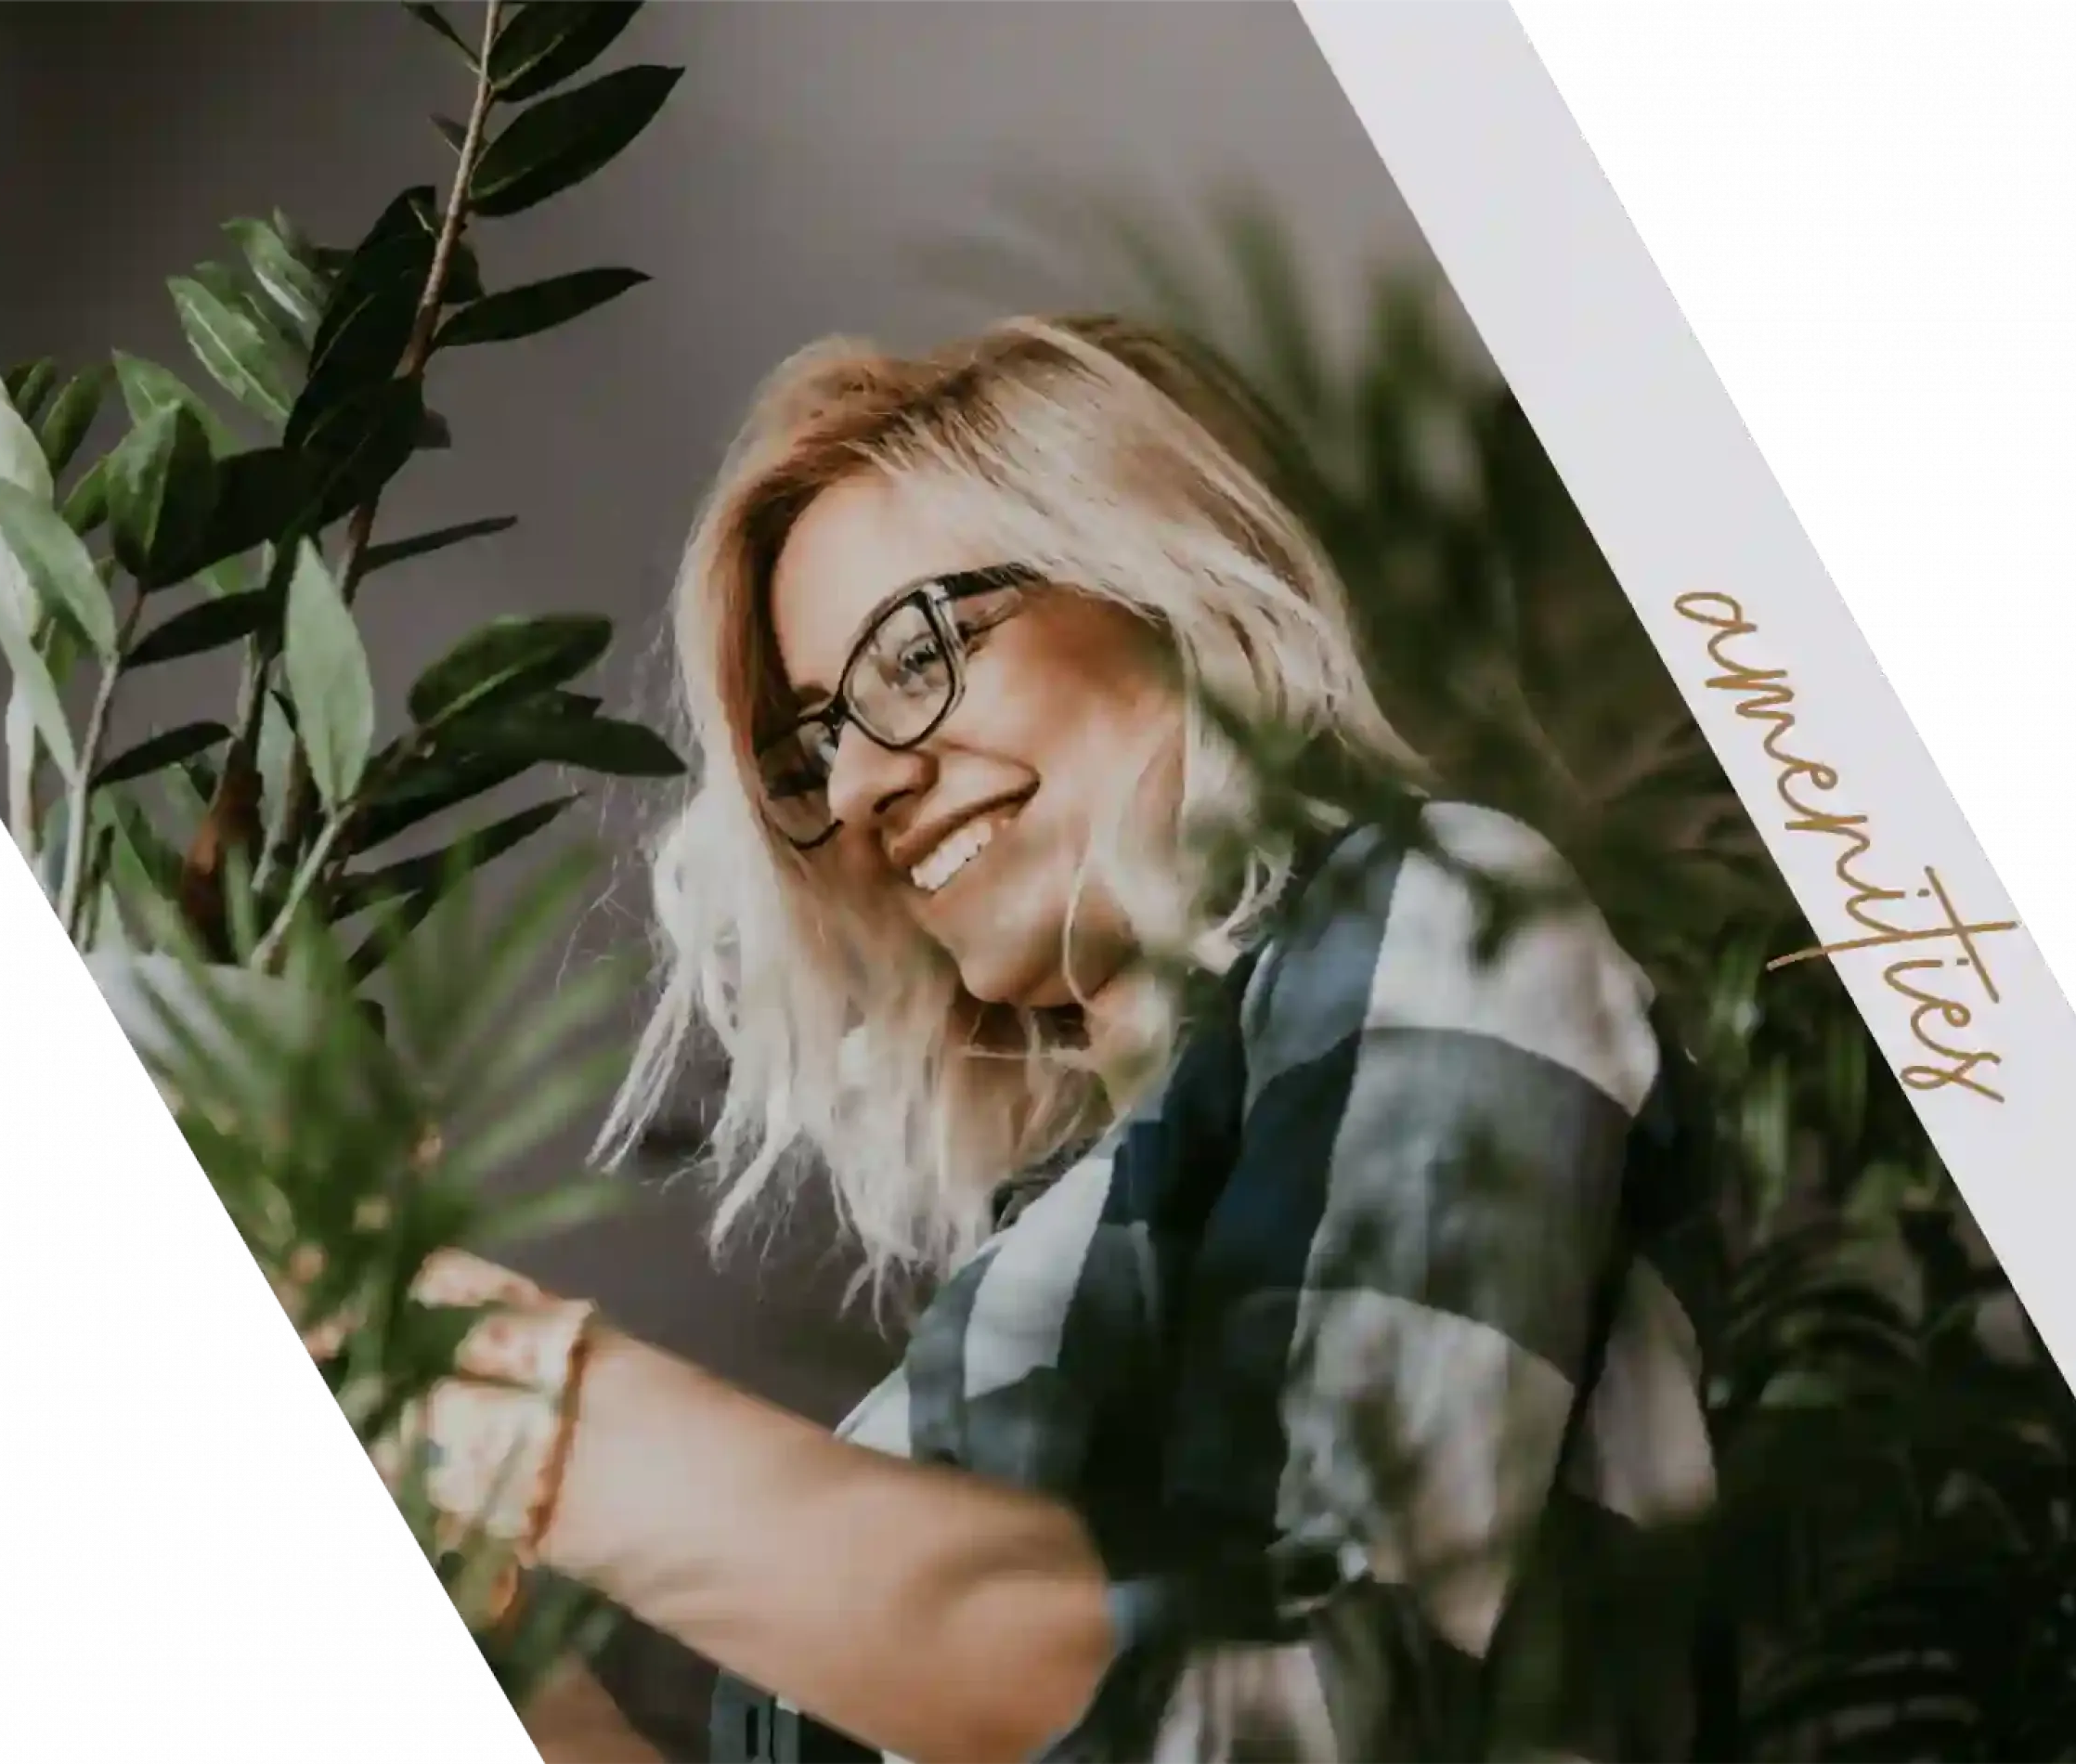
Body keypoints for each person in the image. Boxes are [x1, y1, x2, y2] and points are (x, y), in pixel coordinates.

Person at [435, 315, 1719, 1764]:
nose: (857, 785)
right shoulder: (1032, 1268)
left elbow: (1302, 1711)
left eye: (914, 654)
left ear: (1156, 584)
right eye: (808, 747)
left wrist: (488, 1388)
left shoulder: (1437, 917)